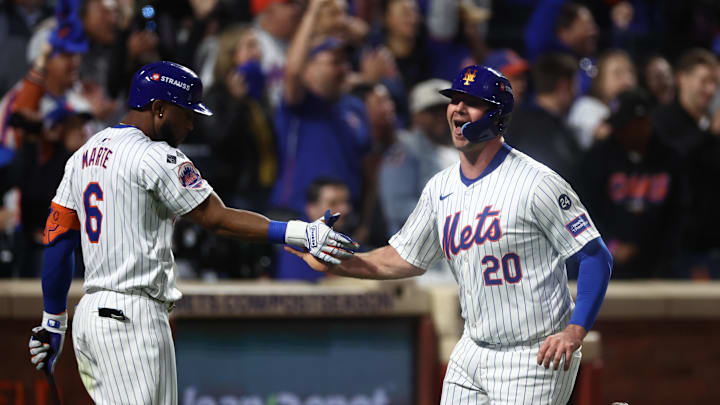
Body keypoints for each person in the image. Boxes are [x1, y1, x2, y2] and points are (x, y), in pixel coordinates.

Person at [27, 61, 357, 405]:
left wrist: (53, 320)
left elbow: (59, 239)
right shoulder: (155, 155)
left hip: (93, 316)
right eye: (185, 111)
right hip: (130, 318)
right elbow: (216, 218)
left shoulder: (83, 155)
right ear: (158, 109)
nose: (192, 122)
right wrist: (298, 233)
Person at [288, 65, 613, 404]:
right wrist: (337, 262)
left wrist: (575, 331)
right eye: (454, 99)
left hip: (531, 355)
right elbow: (402, 257)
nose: (458, 108)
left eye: (471, 101)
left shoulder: (537, 183)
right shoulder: (440, 187)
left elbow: (595, 256)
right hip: (471, 349)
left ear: (497, 115)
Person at [507, 53, 582, 184]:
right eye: (576, 84)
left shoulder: (514, 122)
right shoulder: (554, 132)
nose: (578, 92)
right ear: (564, 86)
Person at [275, 177, 353, 281]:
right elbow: (297, 289)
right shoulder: (296, 244)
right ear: (311, 209)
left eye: (345, 202)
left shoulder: (344, 239)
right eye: (333, 203)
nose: (345, 209)